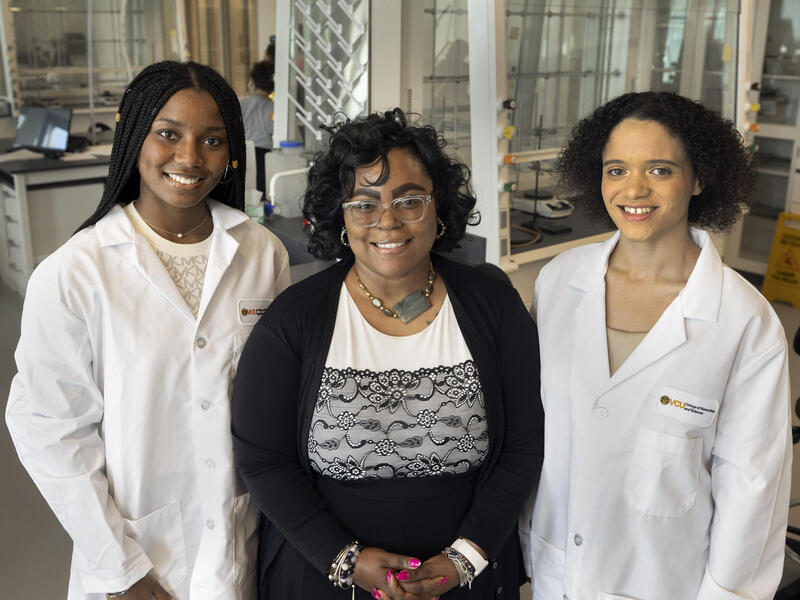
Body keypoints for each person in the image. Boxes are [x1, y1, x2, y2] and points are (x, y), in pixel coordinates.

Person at [6, 61, 290, 599]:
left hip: (240, 545)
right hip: (135, 556)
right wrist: (121, 570)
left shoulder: (260, 252)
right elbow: (51, 432)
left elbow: (272, 400)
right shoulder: (74, 272)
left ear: (231, 153)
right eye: (168, 134)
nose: (190, 157)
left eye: (212, 140)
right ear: (135, 138)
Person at [232, 108, 544, 600]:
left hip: (464, 577)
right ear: (340, 217)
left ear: (439, 209)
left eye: (410, 200)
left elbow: (522, 447)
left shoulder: (494, 307)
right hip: (323, 576)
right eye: (364, 204)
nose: (388, 221)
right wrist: (344, 560)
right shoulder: (294, 320)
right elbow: (263, 460)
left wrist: (464, 559)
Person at [521, 91, 792, 599]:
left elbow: (752, 485)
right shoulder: (559, 282)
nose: (634, 189)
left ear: (699, 178)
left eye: (660, 170)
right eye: (617, 170)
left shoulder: (744, 320)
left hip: (667, 582)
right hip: (556, 569)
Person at [239, 60, 274, 195]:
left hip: (244, 155)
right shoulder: (276, 108)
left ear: (252, 82)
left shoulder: (240, 103)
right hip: (268, 158)